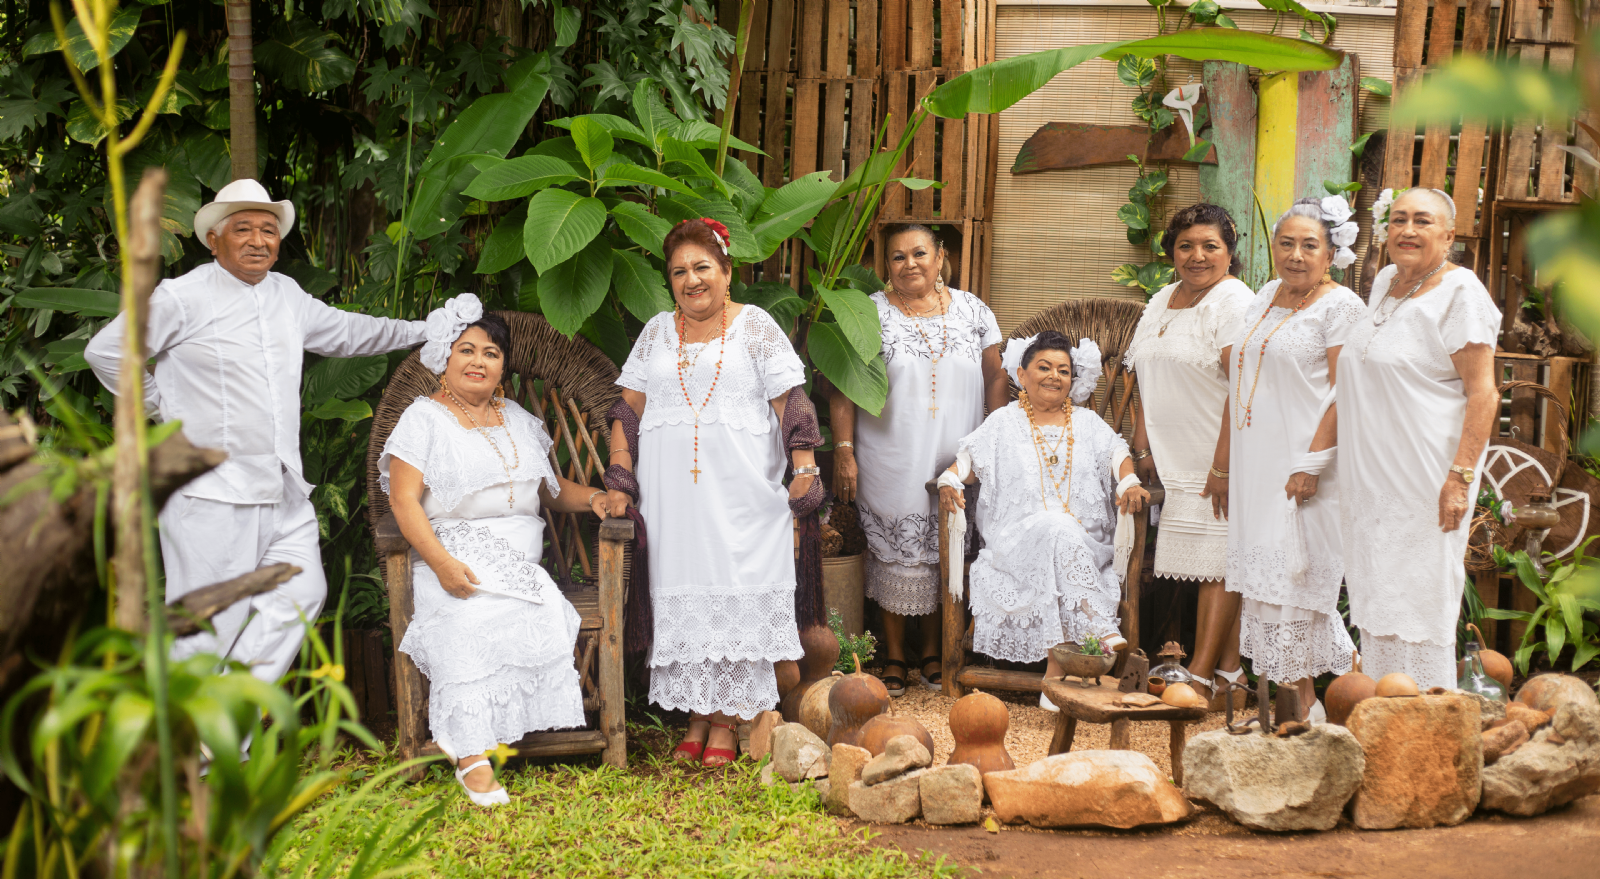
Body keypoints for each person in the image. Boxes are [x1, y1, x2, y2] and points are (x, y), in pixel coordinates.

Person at [85, 178, 426, 686]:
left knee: (302, 595)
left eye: (268, 230)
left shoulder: (285, 293)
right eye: (242, 228)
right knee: (207, 628)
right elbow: (107, 352)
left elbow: (350, 332)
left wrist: (424, 330)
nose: (258, 240)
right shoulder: (181, 296)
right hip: (212, 494)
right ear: (213, 239)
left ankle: (220, 729)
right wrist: (161, 410)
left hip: (282, 489)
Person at [601, 218, 824, 766]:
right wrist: (620, 472)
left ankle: (726, 722)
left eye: (702, 267)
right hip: (672, 500)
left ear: (727, 272)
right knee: (685, 591)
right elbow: (626, 410)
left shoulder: (756, 327)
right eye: (679, 271)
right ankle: (698, 715)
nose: (691, 280)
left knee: (733, 587)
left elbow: (790, 403)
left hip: (740, 496)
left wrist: (806, 468)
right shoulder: (656, 331)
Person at [381, 299, 603, 807]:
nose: (479, 361)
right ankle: (471, 755)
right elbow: (402, 499)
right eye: (467, 350)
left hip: (520, 564)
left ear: (504, 365)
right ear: (446, 358)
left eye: (491, 352)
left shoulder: (518, 418)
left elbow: (547, 489)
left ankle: (502, 728)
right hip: (451, 550)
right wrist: (439, 563)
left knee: (532, 610)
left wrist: (592, 497)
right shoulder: (424, 418)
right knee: (467, 621)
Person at [832, 224, 1008, 695]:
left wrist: (993, 435)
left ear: (940, 256)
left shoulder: (974, 310)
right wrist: (844, 450)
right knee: (896, 551)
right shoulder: (867, 312)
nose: (909, 264)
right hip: (890, 451)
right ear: (884, 265)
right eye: (896, 257)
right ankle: (893, 655)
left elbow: (996, 376)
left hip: (958, 453)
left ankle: (933, 652)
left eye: (919, 253)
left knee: (943, 547)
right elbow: (844, 384)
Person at [1338, 188, 1500, 690]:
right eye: (1399, 219)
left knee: (1421, 592)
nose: (1408, 230)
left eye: (1423, 221)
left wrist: (1460, 478)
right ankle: (1385, 708)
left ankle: (1426, 712)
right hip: (1372, 476)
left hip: (1428, 474)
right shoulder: (1387, 281)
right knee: (1379, 588)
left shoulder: (1462, 294)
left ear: (1449, 235)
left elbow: (1484, 394)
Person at [938, 331, 1149, 707]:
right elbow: (968, 462)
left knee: (1058, 529)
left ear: (1074, 379)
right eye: (1044, 367)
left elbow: (1117, 453)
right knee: (1053, 526)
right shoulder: (1003, 421)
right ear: (1022, 374)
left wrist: (1130, 480)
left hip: (1082, 544)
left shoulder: (1086, 423)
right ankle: (1095, 626)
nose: (1054, 376)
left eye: (1064, 370)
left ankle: (1055, 672)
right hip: (1014, 546)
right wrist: (949, 479)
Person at [1225, 197, 1367, 721]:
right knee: (1266, 583)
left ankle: (1318, 710)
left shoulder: (1343, 307)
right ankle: (1287, 709)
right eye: (1286, 243)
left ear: (1332, 254)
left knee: (1296, 579)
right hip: (1256, 464)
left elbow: (1345, 390)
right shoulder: (1265, 295)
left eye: (1310, 245)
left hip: (1302, 466)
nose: (1297, 255)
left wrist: (1312, 463)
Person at [1123, 203, 1254, 702]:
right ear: (1171, 252)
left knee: (1218, 562)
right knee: (1210, 561)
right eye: (1186, 246)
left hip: (1218, 456)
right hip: (1177, 458)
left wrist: (1222, 467)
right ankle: (1230, 677)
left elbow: (1243, 390)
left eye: (1210, 246)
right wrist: (1143, 443)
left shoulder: (1232, 302)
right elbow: (1144, 375)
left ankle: (1197, 674)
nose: (1197, 256)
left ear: (1229, 251)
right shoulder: (1162, 299)